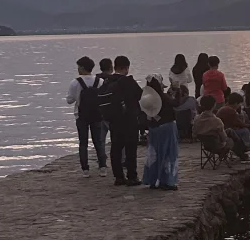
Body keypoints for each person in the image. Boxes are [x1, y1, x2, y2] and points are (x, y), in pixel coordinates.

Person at [103, 55, 143, 186]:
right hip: (129, 119)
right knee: (130, 149)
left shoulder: (107, 81)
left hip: (114, 120)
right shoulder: (128, 81)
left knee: (116, 148)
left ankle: (118, 177)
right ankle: (132, 176)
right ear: (126, 68)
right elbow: (140, 95)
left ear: (114, 67)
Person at [66, 56, 107, 177]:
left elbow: (69, 100)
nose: (78, 69)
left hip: (81, 115)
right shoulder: (100, 81)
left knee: (83, 142)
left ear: (83, 68)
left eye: (79, 67)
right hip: (97, 115)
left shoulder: (75, 82)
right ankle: (103, 167)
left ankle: (85, 169)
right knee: (98, 142)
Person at [140, 76, 179, 190]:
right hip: (167, 128)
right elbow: (176, 103)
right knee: (168, 154)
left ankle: (152, 179)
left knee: (154, 154)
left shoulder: (146, 98)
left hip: (154, 129)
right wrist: (178, 90)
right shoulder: (164, 97)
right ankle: (167, 181)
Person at [218, 90, 250, 154]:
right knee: (245, 131)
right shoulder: (230, 111)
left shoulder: (224, 108)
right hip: (225, 133)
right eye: (239, 104)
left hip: (222, 131)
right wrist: (249, 125)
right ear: (236, 103)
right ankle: (244, 147)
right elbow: (239, 123)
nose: (239, 106)